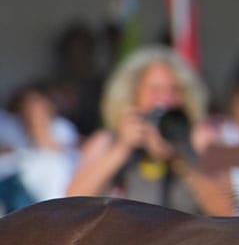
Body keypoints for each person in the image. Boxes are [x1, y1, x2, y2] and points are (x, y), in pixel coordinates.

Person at [65, 47, 230, 215]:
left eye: (174, 90)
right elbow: (71, 202)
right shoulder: (107, 141)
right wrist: (122, 149)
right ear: (133, 95)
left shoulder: (201, 141)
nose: (165, 99)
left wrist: (181, 157)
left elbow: (226, 211)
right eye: (155, 90)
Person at [7, 83, 79, 203]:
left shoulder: (62, 127)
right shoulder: (13, 130)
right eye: (29, 106)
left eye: (38, 104)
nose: (34, 110)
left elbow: (61, 149)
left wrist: (39, 126)